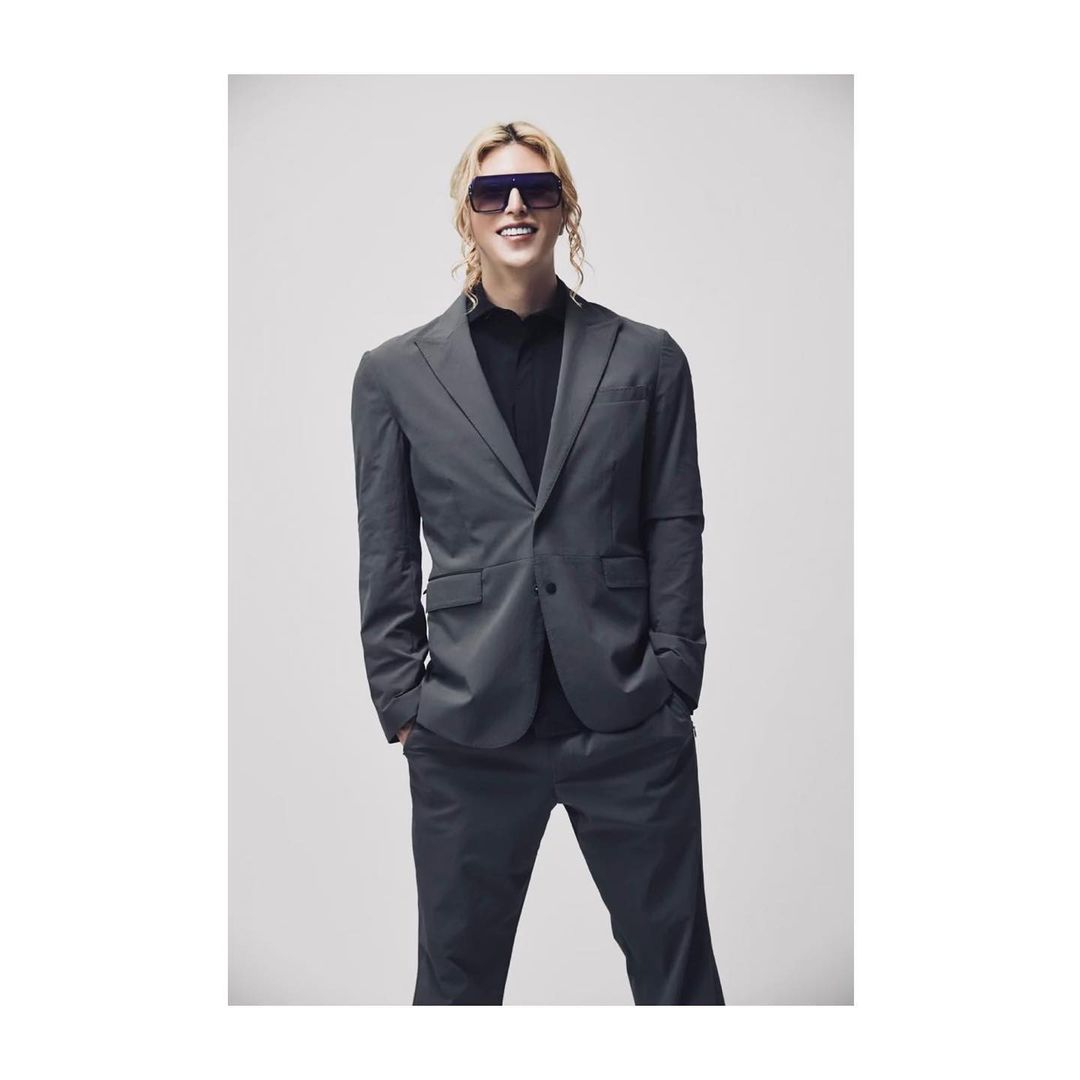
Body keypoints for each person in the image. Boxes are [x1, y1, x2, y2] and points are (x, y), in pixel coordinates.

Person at [351, 120, 724, 1005]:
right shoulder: (395, 373)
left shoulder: (646, 358)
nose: (515, 204)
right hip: (467, 728)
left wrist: (675, 677)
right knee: (455, 994)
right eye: (492, 191)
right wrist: (403, 702)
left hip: (627, 720)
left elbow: (674, 521)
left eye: (537, 188)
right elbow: (385, 548)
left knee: (679, 987)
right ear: (467, 213)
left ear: (564, 209)